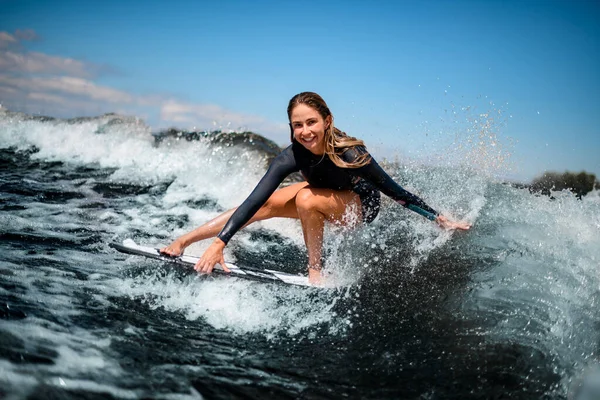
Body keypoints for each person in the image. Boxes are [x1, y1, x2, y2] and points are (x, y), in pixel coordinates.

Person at [161, 92, 471, 284]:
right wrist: (220, 243)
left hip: (361, 207)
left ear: (327, 121)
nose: (305, 131)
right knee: (267, 204)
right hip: (325, 198)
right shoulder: (291, 156)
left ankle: (315, 270)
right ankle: (184, 241)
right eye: (298, 125)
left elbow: (395, 192)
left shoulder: (352, 153)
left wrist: (439, 219)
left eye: (311, 122)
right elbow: (254, 200)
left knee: (306, 198)